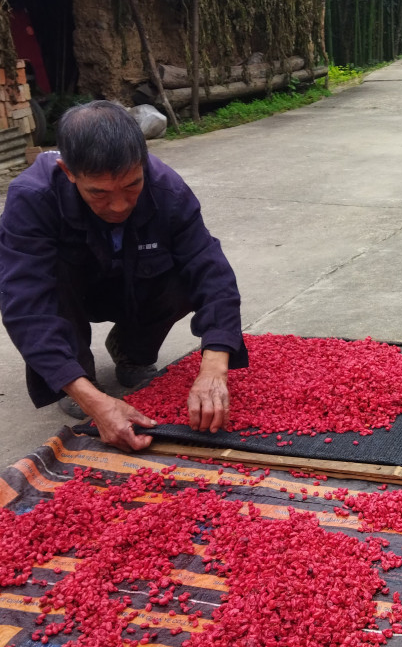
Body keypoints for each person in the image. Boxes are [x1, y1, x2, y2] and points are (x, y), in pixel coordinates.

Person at [0, 101, 248, 453]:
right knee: (46, 280)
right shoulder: (33, 197)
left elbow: (211, 271)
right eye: (98, 192)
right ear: (68, 172)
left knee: (185, 273)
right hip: (72, 290)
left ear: (143, 164)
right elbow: (26, 303)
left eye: (131, 186)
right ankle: (79, 373)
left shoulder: (167, 189)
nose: (118, 205)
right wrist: (93, 401)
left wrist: (214, 366)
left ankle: (132, 351)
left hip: (133, 281)